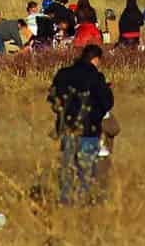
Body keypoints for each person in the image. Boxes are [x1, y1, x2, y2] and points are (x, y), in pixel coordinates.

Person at [48, 45, 113, 205]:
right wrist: (96, 115)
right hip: (89, 131)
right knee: (86, 172)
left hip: (67, 129)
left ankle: (66, 204)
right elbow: (107, 102)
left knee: (67, 171)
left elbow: (53, 98)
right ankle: (84, 205)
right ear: (95, 59)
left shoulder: (63, 74)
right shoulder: (96, 77)